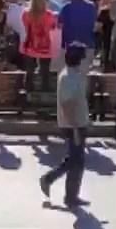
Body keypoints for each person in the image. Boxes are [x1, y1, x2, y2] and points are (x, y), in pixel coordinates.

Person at [39, 42, 93, 207]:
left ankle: (71, 196)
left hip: (78, 121)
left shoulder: (73, 74)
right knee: (75, 160)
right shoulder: (69, 77)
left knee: (77, 160)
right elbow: (67, 104)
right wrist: (76, 127)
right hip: (73, 124)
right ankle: (49, 179)